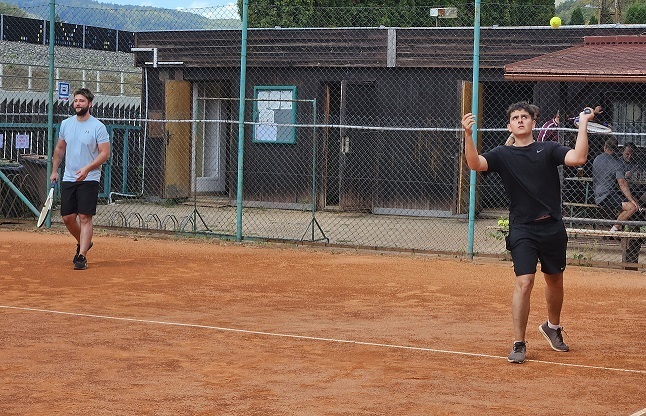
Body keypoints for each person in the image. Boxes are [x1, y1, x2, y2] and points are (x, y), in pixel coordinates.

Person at [461, 102, 592, 364]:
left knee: (555, 281)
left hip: (552, 226)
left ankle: (552, 327)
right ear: (509, 126)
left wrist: (583, 125)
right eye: (515, 118)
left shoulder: (549, 149)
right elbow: (475, 164)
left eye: (524, 117)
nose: (520, 120)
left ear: (533, 122)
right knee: (525, 282)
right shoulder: (502, 154)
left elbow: (578, 158)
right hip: (522, 228)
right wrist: (468, 135)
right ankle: (519, 342)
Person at [50, 88, 110, 270]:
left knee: (84, 216)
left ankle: (82, 256)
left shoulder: (98, 127)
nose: (77, 103)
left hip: (90, 177)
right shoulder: (66, 124)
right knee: (68, 218)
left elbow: (105, 153)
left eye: (81, 101)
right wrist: (54, 170)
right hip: (69, 177)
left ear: (89, 104)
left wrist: (88, 168)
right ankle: (85, 241)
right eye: (76, 100)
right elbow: (60, 149)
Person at [592, 137, 639, 233]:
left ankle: (620, 229)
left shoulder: (597, 158)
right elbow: (622, 183)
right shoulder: (617, 163)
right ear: (617, 149)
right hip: (606, 196)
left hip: (597, 193)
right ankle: (613, 231)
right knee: (632, 207)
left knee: (628, 202)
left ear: (605, 147)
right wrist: (632, 200)